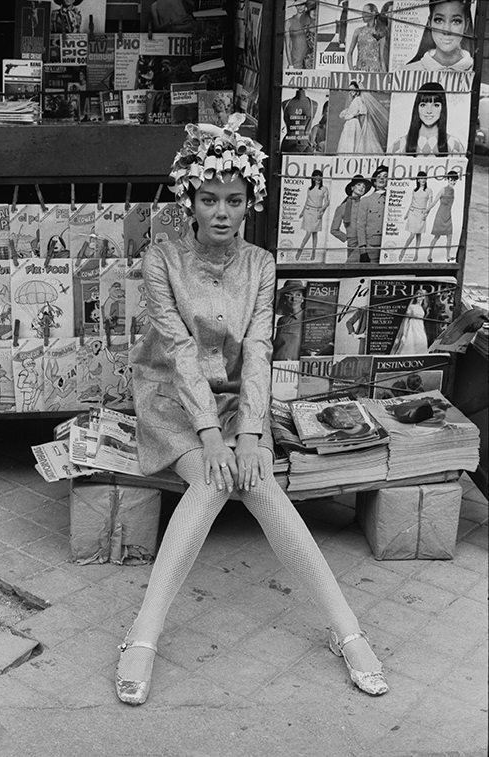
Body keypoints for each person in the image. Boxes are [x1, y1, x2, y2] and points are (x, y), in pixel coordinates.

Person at [117, 115, 389, 706]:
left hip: (241, 400)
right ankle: (145, 633)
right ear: (190, 199)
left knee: (259, 482)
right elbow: (178, 349)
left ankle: (347, 631)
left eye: (234, 201)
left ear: (249, 204)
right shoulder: (162, 259)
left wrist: (249, 435)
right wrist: (213, 438)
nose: (221, 212)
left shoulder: (262, 265)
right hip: (173, 401)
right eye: (209, 198)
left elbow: (261, 350)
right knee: (214, 483)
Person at [390, 82, 465, 156]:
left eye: (435, 105)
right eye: (423, 105)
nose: (429, 111)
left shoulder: (454, 144)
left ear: (442, 108)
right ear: (417, 108)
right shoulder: (400, 144)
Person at [405, 0, 474, 71]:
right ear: (429, 23)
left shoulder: (478, 71)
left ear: (466, 25)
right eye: (439, 20)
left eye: (456, 21)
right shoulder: (406, 72)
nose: (446, 30)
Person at [330, 173, 373, 262]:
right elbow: (334, 230)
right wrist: (347, 237)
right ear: (352, 188)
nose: (361, 187)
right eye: (359, 185)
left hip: (368, 242)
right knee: (353, 266)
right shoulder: (342, 208)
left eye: (364, 186)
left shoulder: (367, 204)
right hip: (352, 244)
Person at [336, 81, 388, 154]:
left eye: (352, 89)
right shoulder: (355, 100)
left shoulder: (358, 100)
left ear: (357, 90)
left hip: (354, 125)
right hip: (350, 125)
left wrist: (362, 129)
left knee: (354, 145)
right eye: (349, 90)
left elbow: (363, 113)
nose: (350, 92)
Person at [399, 171, 433, 261]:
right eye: (421, 178)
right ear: (418, 180)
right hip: (413, 213)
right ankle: (403, 250)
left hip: (422, 213)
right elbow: (411, 202)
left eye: (424, 178)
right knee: (412, 234)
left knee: (419, 235)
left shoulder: (429, 190)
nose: (423, 180)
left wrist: (426, 214)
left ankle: (416, 254)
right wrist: (406, 214)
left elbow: (430, 204)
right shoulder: (414, 190)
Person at [296, 170, 330, 261]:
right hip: (308, 211)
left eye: (320, 176)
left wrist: (321, 211)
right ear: (313, 178)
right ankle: (300, 250)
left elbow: (327, 202)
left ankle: (313, 253)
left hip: (317, 211)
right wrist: (302, 212)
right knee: (309, 232)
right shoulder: (310, 188)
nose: (318, 178)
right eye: (316, 176)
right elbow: (307, 200)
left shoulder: (324, 189)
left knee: (314, 233)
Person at [357, 164, 388, 262]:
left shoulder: (394, 200)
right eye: (379, 176)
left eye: (385, 176)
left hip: (390, 247)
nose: (382, 178)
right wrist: (363, 252)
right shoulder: (365, 200)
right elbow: (361, 226)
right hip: (371, 249)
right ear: (374, 181)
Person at [427, 170, 459, 261]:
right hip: (440, 216)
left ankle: (448, 256)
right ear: (447, 179)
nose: (453, 182)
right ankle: (429, 255)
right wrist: (426, 211)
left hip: (448, 216)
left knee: (449, 236)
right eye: (451, 180)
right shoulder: (443, 190)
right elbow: (434, 202)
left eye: (454, 180)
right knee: (436, 237)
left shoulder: (453, 190)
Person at [272, 279, 307, 361]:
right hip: (277, 364)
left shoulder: (308, 318)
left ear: (303, 298)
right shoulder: (281, 320)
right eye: (289, 295)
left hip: (296, 367)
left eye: (298, 295)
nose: (294, 299)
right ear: (284, 299)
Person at [346, 3, 386, 72]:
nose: (362, 15)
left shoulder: (379, 32)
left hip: (375, 71)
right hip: (360, 70)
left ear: (373, 13)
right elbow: (349, 53)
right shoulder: (358, 31)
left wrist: (385, 76)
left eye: (364, 13)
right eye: (362, 13)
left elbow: (382, 58)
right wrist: (351, 70)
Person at [390, 288, 429, 354]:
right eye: (418, 294)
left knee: (421, 345)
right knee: (410, 347)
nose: (419, 295)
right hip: (412, 330)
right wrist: (404, 335)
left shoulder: (422, 308)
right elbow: (405, 320)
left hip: (420, 330)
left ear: (424, 297)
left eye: (421, 294)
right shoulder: (411, 307)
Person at [284, 0, 315, 69]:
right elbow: (287, 45)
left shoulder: (312, 21)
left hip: (311, 62)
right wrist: (290, 64)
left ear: (306, 5)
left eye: (302, 4)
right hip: (296, 63)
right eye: (298, 5)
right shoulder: (289, 22)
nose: (300, 7)